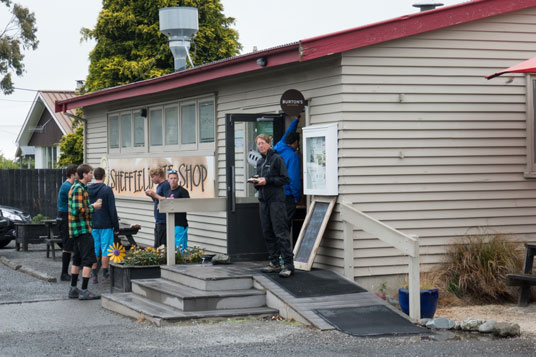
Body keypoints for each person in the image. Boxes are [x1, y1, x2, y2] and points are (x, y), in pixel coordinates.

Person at [253, 134, 294, 278]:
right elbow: (261, 180)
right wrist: (256, 183)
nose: (261, 146)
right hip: (263, 201)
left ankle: (288, 264)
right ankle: (274, 262)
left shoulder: (277, 159)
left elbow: (285, 179)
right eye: (258, 144)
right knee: (267, 231)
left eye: (263, 143)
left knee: (280, 232)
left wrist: (267, 181)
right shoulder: (259, 162)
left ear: (270, 143)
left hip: (277, 201)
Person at [67, 164, 102, 300]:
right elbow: (77, 210)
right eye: (90, 173)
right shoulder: (78, 189)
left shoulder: (79, 188)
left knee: (77, 259)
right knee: (88, 259)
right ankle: (84, 291)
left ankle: (73, 289)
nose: (91, 175)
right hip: (81, 229)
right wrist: (93, 207)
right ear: (84, 174)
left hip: (77, 230)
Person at [88, 167, 119, 284]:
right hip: (106, 224)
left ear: (94, 176)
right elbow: (112, 209)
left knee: (95, 249)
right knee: (106, 249)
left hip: (93, 224)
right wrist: (116, 227)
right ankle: (105, 273)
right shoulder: (107, 190)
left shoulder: (88, 189)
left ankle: (94, 274)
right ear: (104, 176)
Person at [147, 169, 190, 250]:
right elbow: (164, 201)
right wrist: (161, 204)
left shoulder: (182, 191)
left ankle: (182, 261)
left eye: (175, 178)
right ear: (168, 180)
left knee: (180, 247)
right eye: (171, 178)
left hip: (180, 223)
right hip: (170, 223)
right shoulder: (168, 192)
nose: (173, 180)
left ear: (178, 179)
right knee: (170, 247)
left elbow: (187, 206)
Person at [273, 116, 301, 232]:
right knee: (285, 228)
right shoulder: (292, 156)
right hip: (287, 196)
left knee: (277, 225)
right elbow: (293, 179)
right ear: (295, 142)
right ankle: (284, 250)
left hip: (275, 194)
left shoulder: (279, 147)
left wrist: (296, 120)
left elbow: (289, 133)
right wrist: (297, 197)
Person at [56, 164, 78, 281]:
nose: (79, 175)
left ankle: (68, 273)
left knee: (70, 245)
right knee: (68, 246)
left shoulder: (68, 185)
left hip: (64, 217)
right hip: (65, 217)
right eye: (77, 173)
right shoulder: (68, 187)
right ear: (72, 174)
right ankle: (64, 274)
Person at [145, 167, 170, 248]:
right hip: (158, 219)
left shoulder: (166, 185)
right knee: (157, 243)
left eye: (152, 177)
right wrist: (151, 196)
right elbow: (157, 201)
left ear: (158, 175)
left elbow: (167, 200)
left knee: (161, 244)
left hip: (163, 220)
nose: (151, 179)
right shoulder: (159, 186)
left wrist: (154, 194)